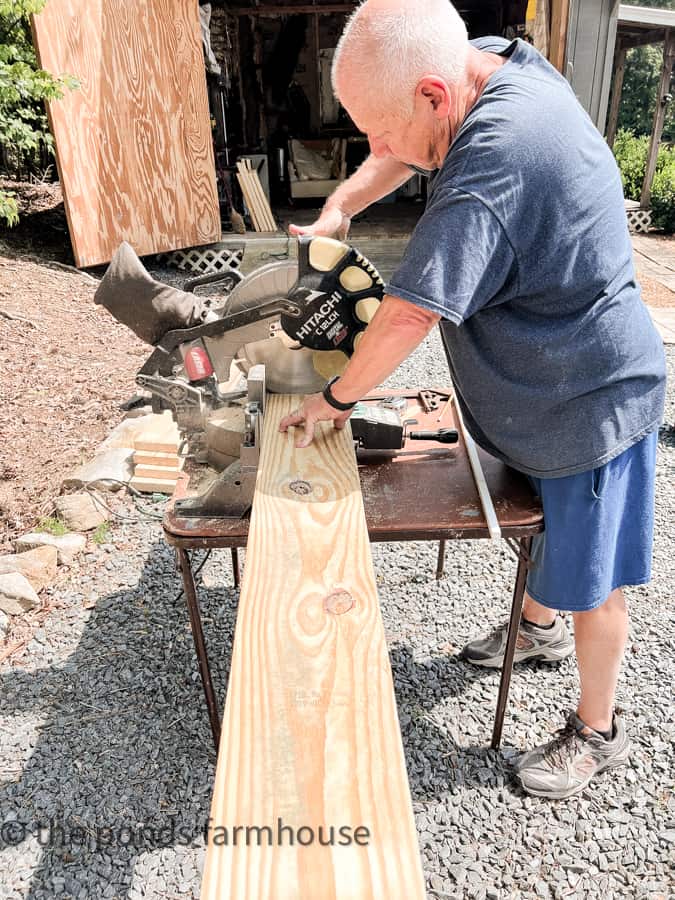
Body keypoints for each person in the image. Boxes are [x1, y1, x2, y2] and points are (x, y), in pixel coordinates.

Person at [279, 0, 666, 800]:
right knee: (548, 525)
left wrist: (336, 402)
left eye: (383, 132)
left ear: (432, 92)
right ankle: (536, 631)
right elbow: (403, 149)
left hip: (587, 394)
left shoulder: (496, 164)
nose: (379, 151)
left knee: (594, 579)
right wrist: (344, 203)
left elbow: (412, 312)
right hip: (541, 375)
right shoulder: (480, 61)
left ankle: (599, 730)